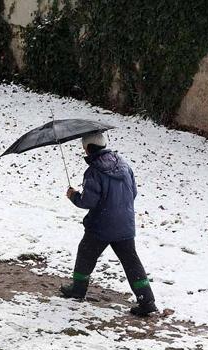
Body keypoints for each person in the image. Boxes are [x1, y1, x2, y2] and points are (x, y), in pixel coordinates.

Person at [61, 132, 158, 317]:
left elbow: (88, 202)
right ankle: (147, 301)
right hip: (125, 224)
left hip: (101, 225)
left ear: (88, 148)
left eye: (84, 147)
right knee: (131, 261)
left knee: (86, 253)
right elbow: (134, 193)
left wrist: (73, 195)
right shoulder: (123, 164)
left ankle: (78, 289)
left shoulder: (93, 171)